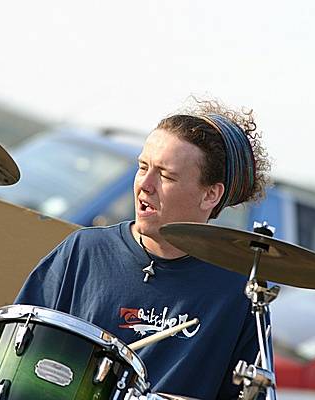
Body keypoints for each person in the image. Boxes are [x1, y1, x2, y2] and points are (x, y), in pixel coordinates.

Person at [15, 98, 271, 399]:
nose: (144, 185)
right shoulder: (83, 250)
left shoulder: (239, 291)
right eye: (142, 167)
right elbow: (15, 353)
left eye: (165, 175)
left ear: (210, 195)